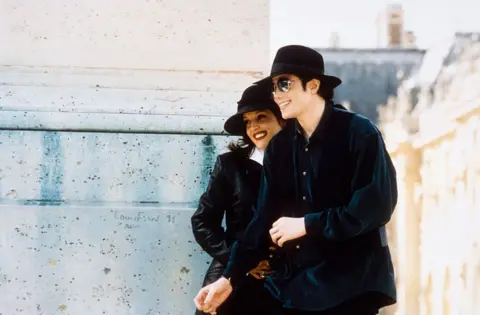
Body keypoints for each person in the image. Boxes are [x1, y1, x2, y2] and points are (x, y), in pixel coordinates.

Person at [194, 45, 398, 315]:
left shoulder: (360, 133)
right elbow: (262, 220)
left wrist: (306, 225)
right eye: (275, 87)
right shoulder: (280, 146)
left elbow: (375, 207)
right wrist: (228, 279)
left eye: (285, 84)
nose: (277, 95)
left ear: (312, 86)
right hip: (300, 287)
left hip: (353, 286)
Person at [191, 83, 285, 315]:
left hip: (286, 275)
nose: (254, 127)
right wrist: (240, 260)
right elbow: (203, 222)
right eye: (247, 121)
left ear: (282, 119)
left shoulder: (302, 164)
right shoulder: (230, 165)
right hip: (231, 274)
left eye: (261, 117)